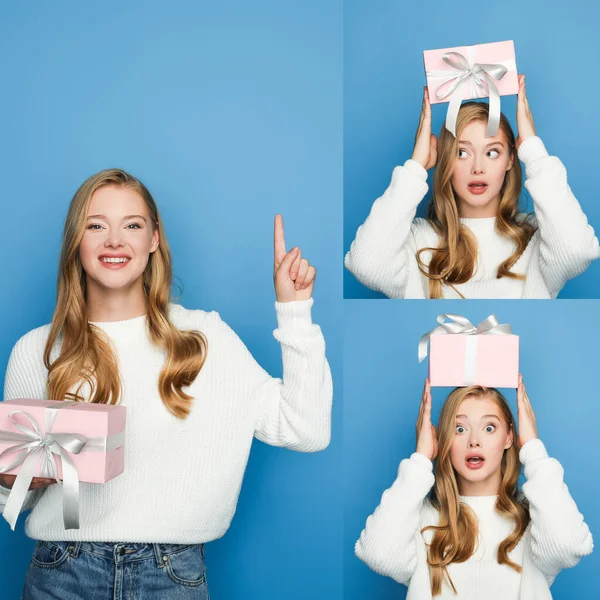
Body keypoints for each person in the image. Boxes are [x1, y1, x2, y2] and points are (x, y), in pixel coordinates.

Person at [0, 168, 333, 599]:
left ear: (153, 239)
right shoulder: (37, 351)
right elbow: (12, 499)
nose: (114, 241)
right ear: (75, 240)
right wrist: (16, 477)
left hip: (170, 577)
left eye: (132, 226)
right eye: (96, 225)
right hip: (63, 573)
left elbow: (306, 430)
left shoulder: (205, 339)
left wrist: (295, 312)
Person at [345, 74, 600, 298]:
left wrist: (533, 149)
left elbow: (577, 251)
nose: (477, 167)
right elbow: (365, 265)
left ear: (511, 159)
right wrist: (415, 167)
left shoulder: (536, 239)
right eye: (462, 153)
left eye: (492, 153)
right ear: (446, 160)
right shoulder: (418, 240)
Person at [355, 376, 593, 599]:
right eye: (460, 428)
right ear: (444, 440)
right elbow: (379, 554)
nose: (474, 440)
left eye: (489, 427)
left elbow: (568, 545)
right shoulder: (420, 518)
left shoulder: (535, 518)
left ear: (509, 437)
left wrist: (532, 448)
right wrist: (421, 459)